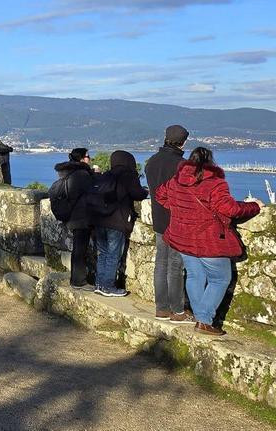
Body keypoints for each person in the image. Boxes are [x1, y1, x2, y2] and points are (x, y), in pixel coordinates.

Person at [156, 147, 262, 336]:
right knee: (220, 278)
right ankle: (205, 321)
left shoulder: (176, 180)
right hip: (209, 240)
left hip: (183, 238)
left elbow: (160, 195)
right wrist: (255, 206)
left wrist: (180, 212)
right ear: (210, 162)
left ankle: (200, 318)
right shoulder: (215, 183)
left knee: (195, 276)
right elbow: (230, 209)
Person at [145, 125, 192, 323]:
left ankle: (161, 308)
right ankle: (177, 310)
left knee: (160, 263)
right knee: (176, 265)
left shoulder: (151, 162)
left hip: (159, 218)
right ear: (183, 142)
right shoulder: (182, 165)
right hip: (178, 220)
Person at [92, 151, 149, 297]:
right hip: (117, 221)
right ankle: (108, 286)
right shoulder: (128, 176)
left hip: (100, 220)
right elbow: (138, 194)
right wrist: (146, 191)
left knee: (103, 253)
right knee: (113, 254)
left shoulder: (106, 175)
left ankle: (99, 283)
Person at [54, 148, 96, 291]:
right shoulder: (82, 174)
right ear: (82, 158)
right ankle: (79, 281)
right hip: (81, 217)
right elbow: (94, 191)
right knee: (80, 249)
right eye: (88, 156)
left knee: (78, 248)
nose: (89, 158)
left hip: (72, 216)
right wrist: (95, 175)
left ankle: (76, 279)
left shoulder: (68, 172)